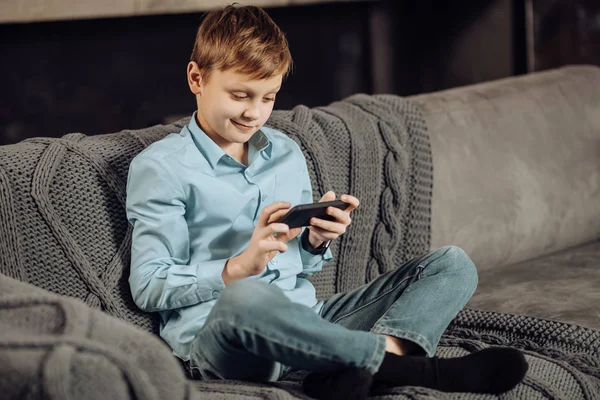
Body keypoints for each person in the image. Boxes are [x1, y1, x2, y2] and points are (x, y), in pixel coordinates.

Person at [125, 4, 528, 399]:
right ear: (196, 78)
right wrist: (235, 269)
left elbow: (298, 261)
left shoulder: (285, 152)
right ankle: (410, 368)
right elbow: (148, 286)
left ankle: (359, 371)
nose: (254, 113)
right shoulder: (161, 168)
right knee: (246, 294)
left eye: (268, 98)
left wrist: (316, 240)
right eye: (239, 95)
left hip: (309, 319)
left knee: (451, 265)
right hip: (225, 337)